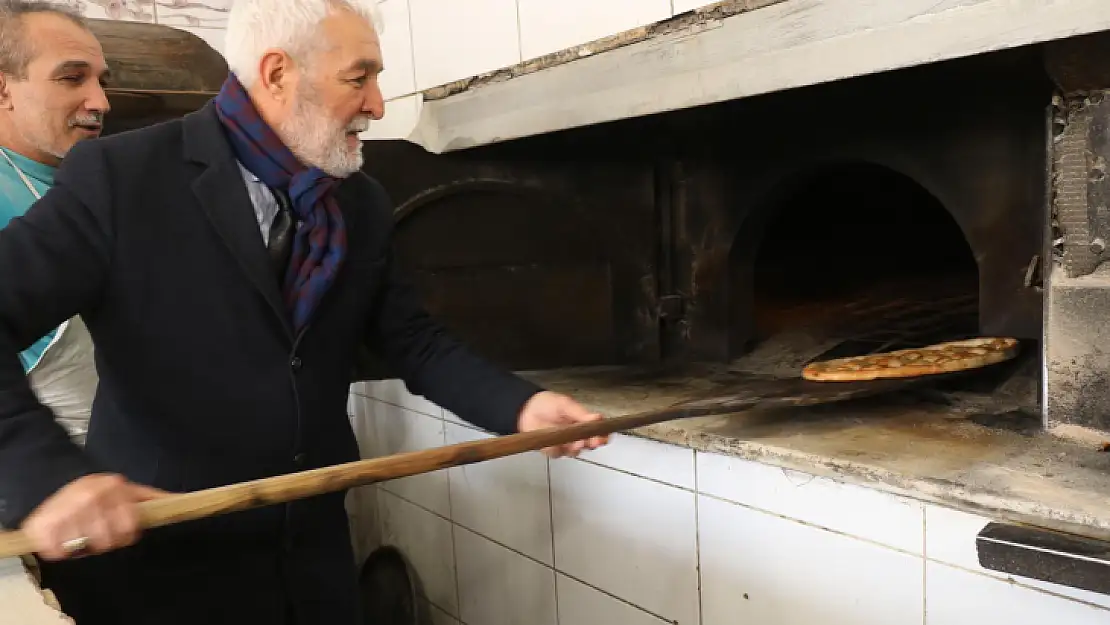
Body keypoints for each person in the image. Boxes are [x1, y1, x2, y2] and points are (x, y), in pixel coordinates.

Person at [0, 1, 608, 624]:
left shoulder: (359, 204)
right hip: (165, 565)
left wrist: (521, 407)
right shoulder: (122, 180)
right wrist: (49, 478)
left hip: (311, 558)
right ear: (277, 72)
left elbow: (411, 339)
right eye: (359, 78)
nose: (376, 104)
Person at [0, 1, 108, 446]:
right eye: (72, 78)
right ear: (3, 90)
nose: (101, 102)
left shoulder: (107, 183)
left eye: (104, 81)